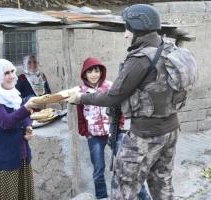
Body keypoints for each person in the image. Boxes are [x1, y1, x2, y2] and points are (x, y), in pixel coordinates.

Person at [65, 4, 181, 200]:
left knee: (123, 184)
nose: (125, 34)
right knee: (163, 184)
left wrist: (80, 98)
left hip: (146, 134)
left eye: (127, 28)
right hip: (170, 130)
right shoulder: (169, 48)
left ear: (137, 28)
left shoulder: (140, 58)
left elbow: (112, 97)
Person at [77, 57, 151, 200]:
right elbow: (80, 117)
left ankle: (143, 194)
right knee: (98, 170)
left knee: (128, 165)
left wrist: (120, 124)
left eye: (96, 71)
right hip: (95, 137)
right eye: (90, 71)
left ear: (101, 72)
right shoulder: (81, 93)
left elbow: (120, 107)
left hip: (115, 132)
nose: (93, 74)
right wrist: (86, 133)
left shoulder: (111, 87)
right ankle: (102, 197)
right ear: (84, 74)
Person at [0, 59, 39, 200]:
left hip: (20, 155)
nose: (12, 76)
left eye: (12, 71)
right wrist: (27, 107)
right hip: (2, 160)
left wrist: (28, 126)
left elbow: (22, 114)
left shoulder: (13, 94)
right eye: (6, 73)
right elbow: (6, 122)